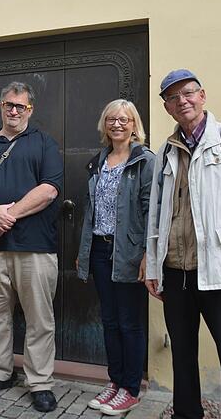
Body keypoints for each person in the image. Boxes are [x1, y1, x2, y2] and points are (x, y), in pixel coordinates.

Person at [145, 69, 221, 419]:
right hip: (177, 272)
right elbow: (156, 213)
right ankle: (186, 414)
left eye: (188, 93)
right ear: (167, 107)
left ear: (202, 96)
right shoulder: (166, 150)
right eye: (173, 97)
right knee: (183, 354)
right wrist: (154, 266)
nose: (182, 100)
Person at [0, 81, 64, 413]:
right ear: (1, 106)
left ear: (30, 110)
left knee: (39, 319)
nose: (14, 111)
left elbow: (49, 190)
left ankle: (39, 382)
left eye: (21, 106)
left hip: (35, 247)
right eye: (9, 105)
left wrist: (8, 214)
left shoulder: (44, 143)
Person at [76, 100, 154, 415]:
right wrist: (84, 253)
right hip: (100, 249)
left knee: (129, 323)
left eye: (124, 119)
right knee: (109, 321)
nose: (117, 124)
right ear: (104, 125)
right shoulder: (100, 161)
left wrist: (149, 254)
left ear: (134, 124)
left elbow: (152, 210)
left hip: (130, 252)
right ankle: (115, 381)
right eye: (111, 119)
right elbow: (91, 212)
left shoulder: (144, 160)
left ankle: (131, 388)